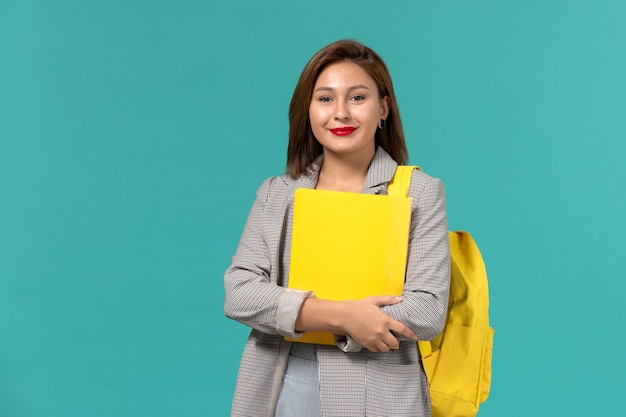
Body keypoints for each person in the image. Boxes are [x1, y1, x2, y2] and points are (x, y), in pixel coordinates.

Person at [224, 39, 450, 417]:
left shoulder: (420, 193)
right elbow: (240, 292)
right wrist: (346, 317)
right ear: (307, 111)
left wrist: (300, 311)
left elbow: (426, 309)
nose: (340, 113)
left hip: (380, 394)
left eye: (357, 98)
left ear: (383, 109)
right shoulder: (277, 194)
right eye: (325, 99)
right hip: (283, 386)